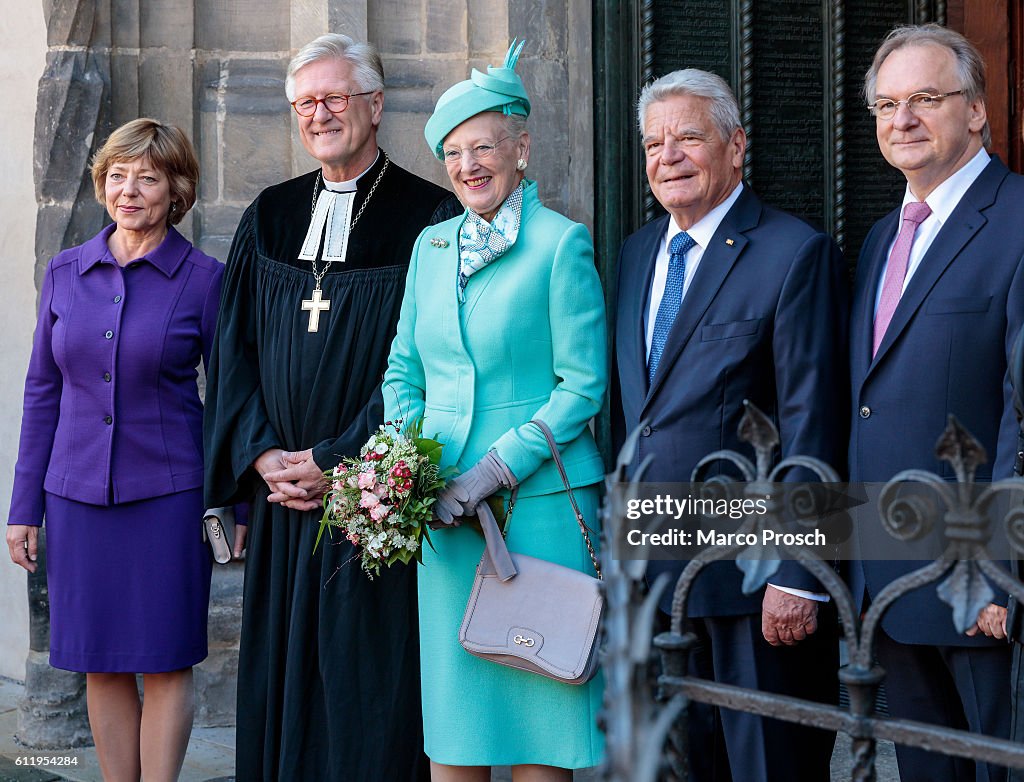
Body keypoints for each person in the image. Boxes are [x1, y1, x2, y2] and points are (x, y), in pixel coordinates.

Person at [202, 33, 458, 781]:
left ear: (375, 107)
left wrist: (334, 458)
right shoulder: (272, 213)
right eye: (306, 103)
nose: (321, 114)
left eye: (335, 98)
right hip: (283, 496)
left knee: (365, 680)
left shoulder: (429, 217)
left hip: (369, 493)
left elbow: (429, 362)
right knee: (286, 670)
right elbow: (233, 351)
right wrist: (260, 456)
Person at [612, 69, 848, 782]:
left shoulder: (793, 252)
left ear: (736, 145)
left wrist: (797, 573)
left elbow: (815, 419)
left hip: (752, 584)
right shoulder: (636, 254)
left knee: (767, 768)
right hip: (652, 575)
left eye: (689, 136)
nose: (668, 156)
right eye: (654, 143)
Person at [382, 40, 606, 781]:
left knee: (542, 718)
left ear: (521, 147)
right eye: (454, 152)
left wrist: (497, 467)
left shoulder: (560, 244)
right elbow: (402, 370)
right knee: (458, 722)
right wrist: (402, 462)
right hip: (442, 512)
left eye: (483, 146)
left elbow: (582, 386)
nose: (469, 165)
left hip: (535, 508)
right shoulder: (429, 247)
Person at [5, 118, 219, 782]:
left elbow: (235, 398)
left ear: (176, 190)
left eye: (147, 177)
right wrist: (24, 507)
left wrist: (227, 503)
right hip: (76, 497)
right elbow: (43, 389)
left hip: (168, 496)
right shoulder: (65, 272)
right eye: (117, 175)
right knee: (99, 658)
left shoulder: (205, 278)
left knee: (163, 659)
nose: (129, 191)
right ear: (102, 184)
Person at [849, 24, 1024, 782]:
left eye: (925, 99)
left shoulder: (1017, 218)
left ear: (976, 111)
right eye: (887, 105)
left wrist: (1000, 568)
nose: (903, 121)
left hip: (979, 582)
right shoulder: (883, 236)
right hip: (885, 572)